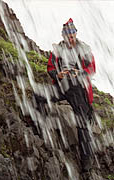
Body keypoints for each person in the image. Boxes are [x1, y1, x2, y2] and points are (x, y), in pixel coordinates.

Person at [47, 18, 96, 172]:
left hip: (78, 88)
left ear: (76, 33)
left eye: (72, 34)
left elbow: (92, 68)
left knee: (82, 122)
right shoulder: (57, 49)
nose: (71, 37)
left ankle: (86, 159)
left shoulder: (84, 48)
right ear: (63, 36)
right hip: (62, 85)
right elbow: (50, 67)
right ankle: (39, 127)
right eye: (68, 34)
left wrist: (79, 72)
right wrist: (58, 75)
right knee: (39, 96)